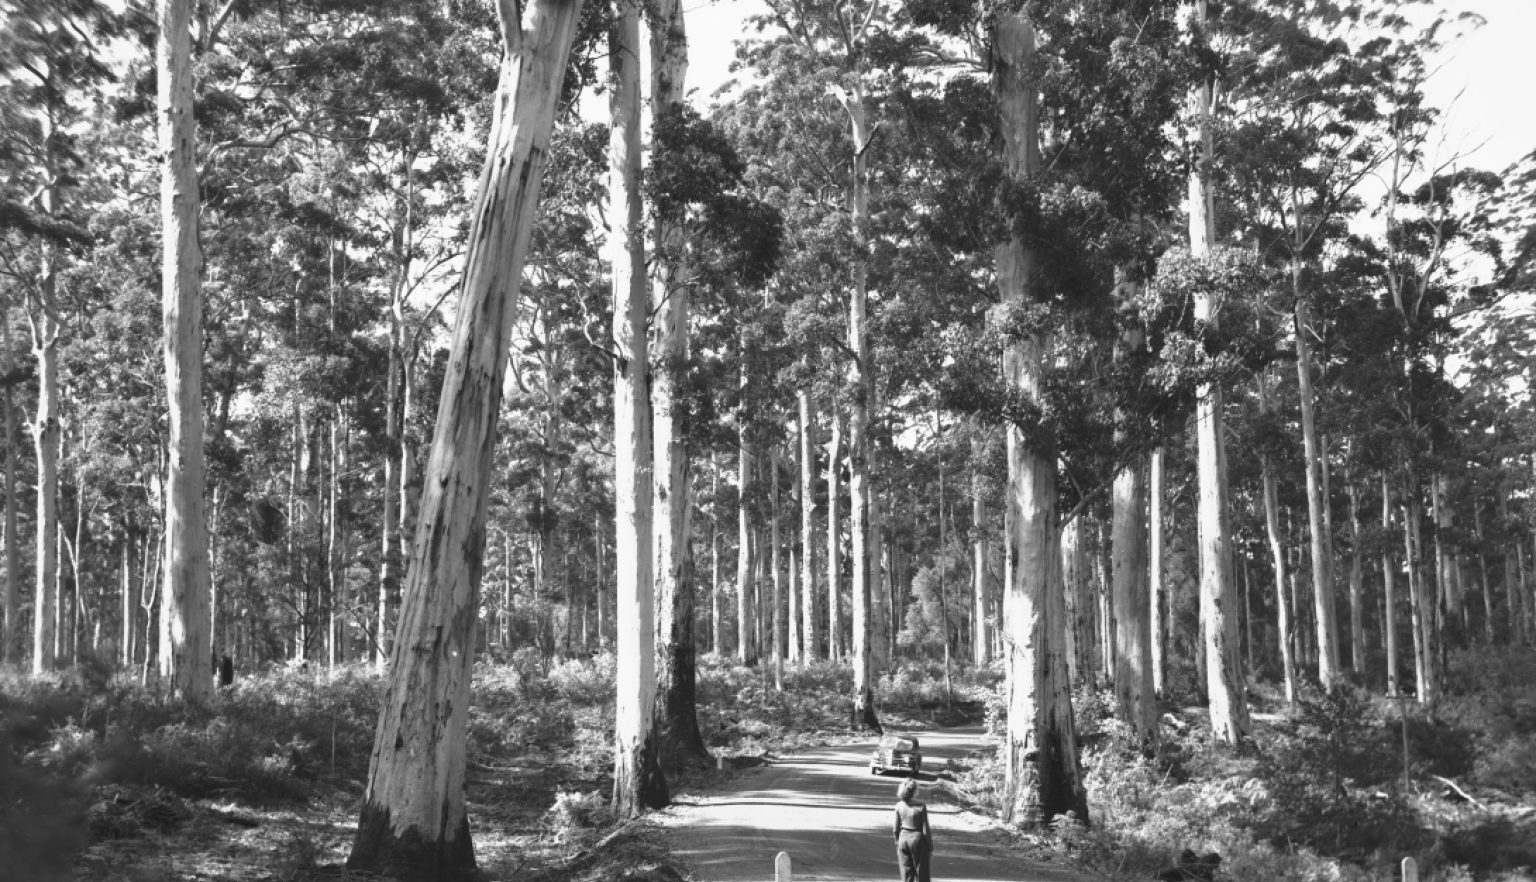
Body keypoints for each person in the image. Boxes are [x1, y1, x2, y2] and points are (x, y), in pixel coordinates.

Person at [892, 778, 932, 882]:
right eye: (917, 788)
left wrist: (897, 844)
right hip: (917, 840)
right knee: (922, 873)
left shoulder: (899, 806)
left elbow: (895, 829)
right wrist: (930, 848)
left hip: (903, 840)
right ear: (913, 792)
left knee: (906, 874)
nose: (918, 790)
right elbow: (925, 830)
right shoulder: (921, 807)